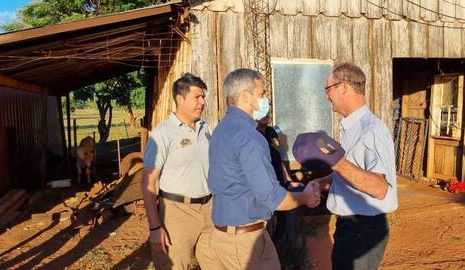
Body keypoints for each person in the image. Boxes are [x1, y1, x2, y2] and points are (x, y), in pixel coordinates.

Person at [207, 68, 321, 270]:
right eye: (262, 93)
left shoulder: (221, 129)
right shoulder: (250, 137)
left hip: (222, 237)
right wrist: (305, 196)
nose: (266, 98)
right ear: (244, 96)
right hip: (245, 243)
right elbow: (272, 198)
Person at [313, 62, 398, 269]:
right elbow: (352, 174)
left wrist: (336, 161)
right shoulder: (351, 127)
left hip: (363, 231)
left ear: (343, 87)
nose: (327, 96)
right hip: (350, 228)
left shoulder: (372, 130)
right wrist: (321, 183)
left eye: (328, 89)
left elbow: (379, 188)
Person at [141, 73, 216, 270]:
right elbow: (148, 182)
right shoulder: (163, 134)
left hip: (209, 208)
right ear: (180, 99)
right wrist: (155, 227)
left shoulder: (206, 128)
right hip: (177, 213)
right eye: (197, 97)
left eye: (203, 97)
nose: (202, 102)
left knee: (216, 263)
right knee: (174, 266)